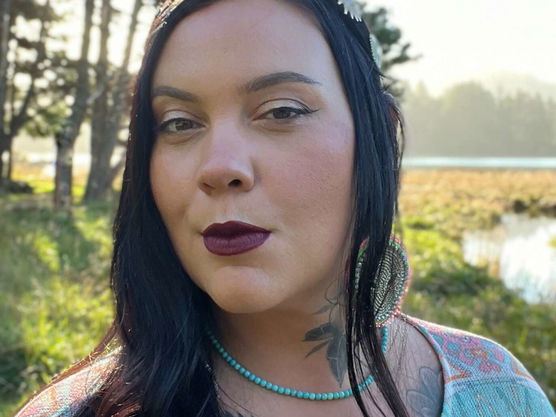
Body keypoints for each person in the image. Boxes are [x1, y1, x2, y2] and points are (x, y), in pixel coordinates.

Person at [14, 0, 555, 416]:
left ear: (380, 140)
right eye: (179, 122)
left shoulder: (498, 391)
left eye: (281, 111)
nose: (219, 166)